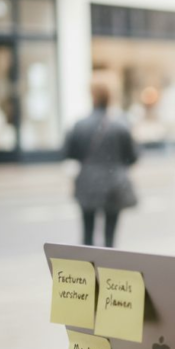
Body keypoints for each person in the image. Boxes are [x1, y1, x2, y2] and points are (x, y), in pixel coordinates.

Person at [63, 80, 138, 247]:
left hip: (87, 183)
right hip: (114, 184)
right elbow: (133, 156)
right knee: (110, 238)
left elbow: (69, 153)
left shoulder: (80, 125)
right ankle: (109, 264)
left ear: (92, 97)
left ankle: (88, 264)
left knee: (87, 235)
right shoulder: (120, 125)